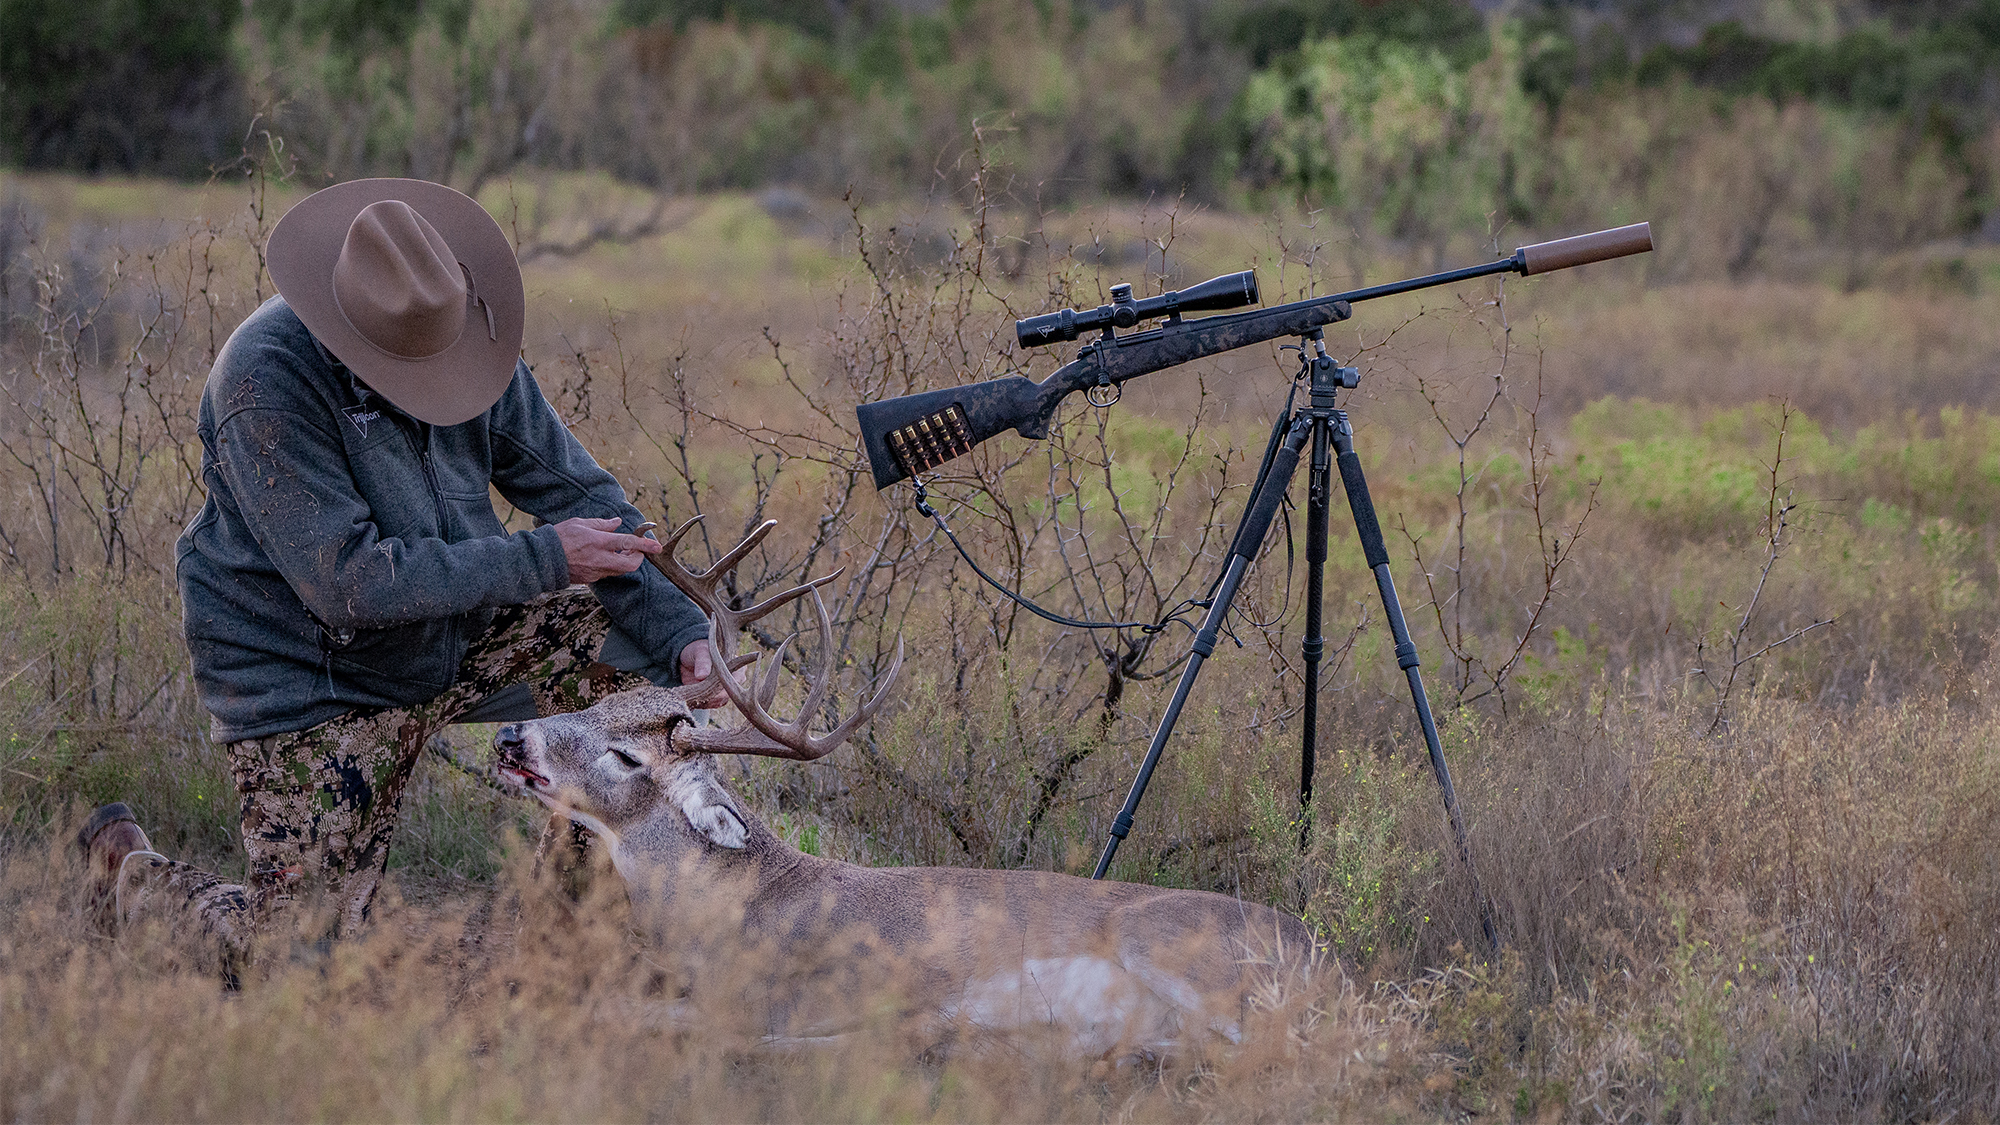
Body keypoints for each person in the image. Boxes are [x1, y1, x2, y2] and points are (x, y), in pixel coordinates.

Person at [77, 178, 721, 970]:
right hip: (311, 681)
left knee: (628, 653)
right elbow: (352, 583)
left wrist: (684, 630)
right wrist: (545, 557)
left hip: (452, 638)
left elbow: (578, 491)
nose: (444, 379)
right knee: (301, 967)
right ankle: (131, 878)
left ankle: (569, 943)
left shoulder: (465, 333)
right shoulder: (263, 382)